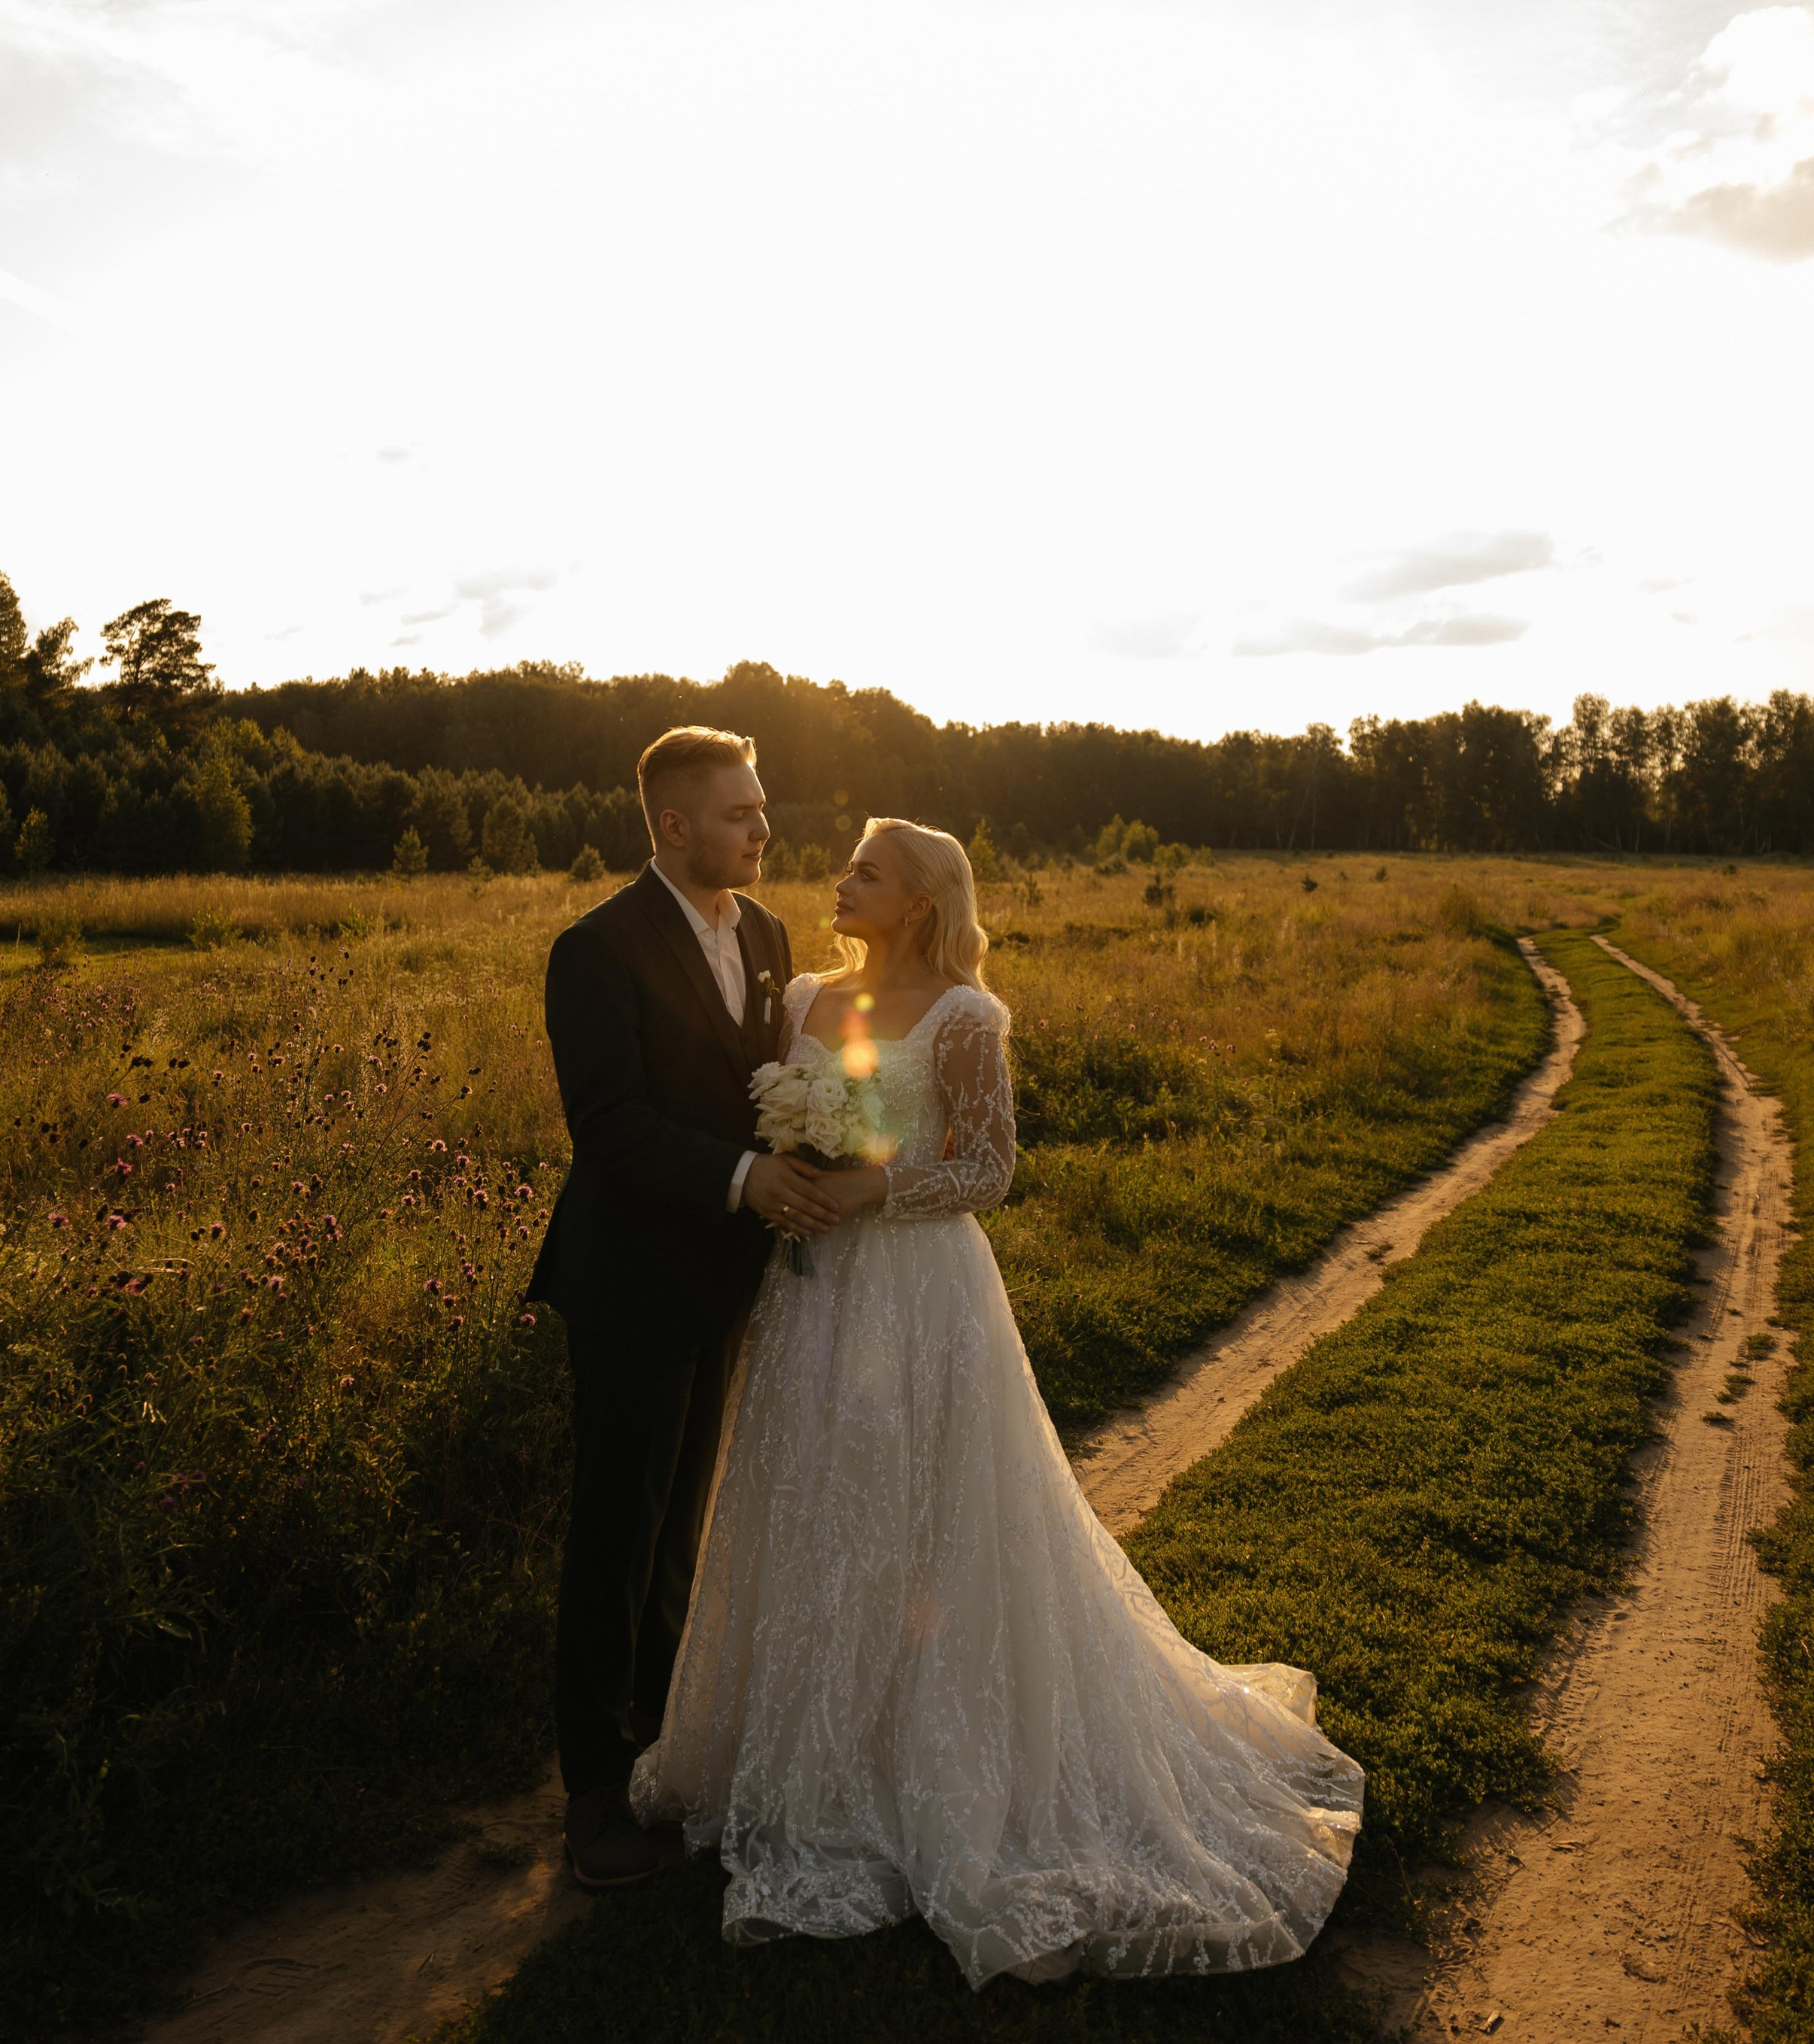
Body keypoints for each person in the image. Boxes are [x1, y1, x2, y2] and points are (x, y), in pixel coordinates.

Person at [631, 817, 1365, 1987]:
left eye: (864, 871)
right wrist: (790, 1180)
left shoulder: (967, 1019)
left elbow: (987, 1166)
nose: (839, 880)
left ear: (920, 901)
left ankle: (935, 1765)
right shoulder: (804, 994)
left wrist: (868, 1187)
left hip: (919, 1296)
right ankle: (802, 1758)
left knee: (928, 1515)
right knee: (811, 1502)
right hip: (810, 1296)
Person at [532, 726, 842, 1890]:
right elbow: (606, 1126)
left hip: (722, 1277)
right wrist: (742, 1180)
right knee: (615, 1533)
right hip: (624, 1283)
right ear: (672, 825)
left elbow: (758, 1086)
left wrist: (820, 1146)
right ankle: (594, 1791)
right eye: (740, 815)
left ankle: (664, 1749)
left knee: (680, 1531)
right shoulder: (595, 949)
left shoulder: (766, 934)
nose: (764, 830)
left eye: (763, 810)